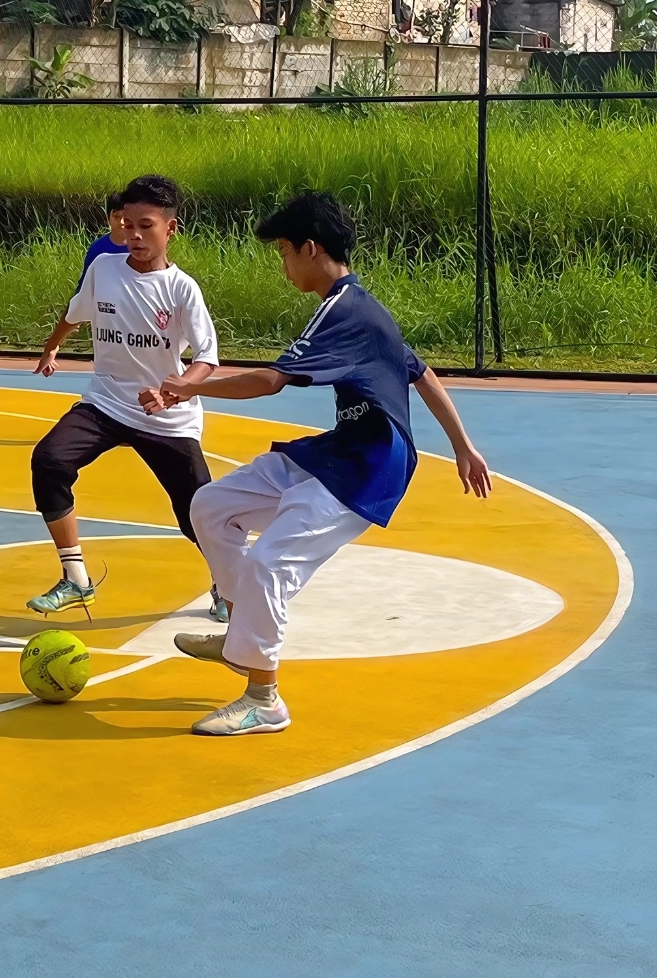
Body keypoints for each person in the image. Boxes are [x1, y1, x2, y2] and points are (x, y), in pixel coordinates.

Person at [159, 191, 491, 736]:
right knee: (212, 505)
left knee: (271, 561)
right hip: (339, 450)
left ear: (310, 249)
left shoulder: (346, 309)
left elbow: (270, 383)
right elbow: (419, 370)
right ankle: (243, 629)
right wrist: (462, 445)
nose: (284, 265)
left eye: (286, 252)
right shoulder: (359, 308)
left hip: (369, 465)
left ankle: (263, 699)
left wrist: (186, 390)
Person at [28, 175, 221, 617]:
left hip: (165, 416)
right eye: (125, 224)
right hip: (106, 403)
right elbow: (75, 313)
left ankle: (227, 585)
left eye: (145, 225)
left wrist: (172, 394)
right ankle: (76, 579)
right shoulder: (103, 270)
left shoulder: (181, 289)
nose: (133, 235)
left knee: (201, 514)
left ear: (170, 229)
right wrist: (52, 345)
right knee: (49, 461)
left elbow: (207, 358)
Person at [76, 190, 131, 291]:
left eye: (126, 218)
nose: (122, 222)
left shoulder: (141, 248)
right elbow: (86, 282)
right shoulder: (98, 248)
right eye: (117, 217)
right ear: (107, 218)